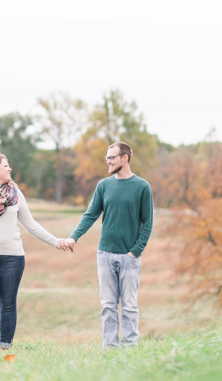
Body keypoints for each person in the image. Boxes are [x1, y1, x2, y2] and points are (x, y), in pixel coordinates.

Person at [0, 153, 68, 349]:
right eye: (5, 166)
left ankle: (4, 347)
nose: (10, 169)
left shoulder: (16, 194)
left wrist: (56, 241)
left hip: (12, 259)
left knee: (8, 305)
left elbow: (31, 225)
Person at [59, 142, 153, 348]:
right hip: (105, 254)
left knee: (129, 305)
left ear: (125, 157)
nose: (108, 161)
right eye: (107, 158)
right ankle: (110, 348)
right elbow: (90, 215)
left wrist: (135, 252)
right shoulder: (104, 185)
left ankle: (130, 348)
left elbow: (148, 223)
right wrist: (73, 237)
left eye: (112, 157)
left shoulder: (142, 187)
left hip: (130, 257)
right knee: (108, 305)